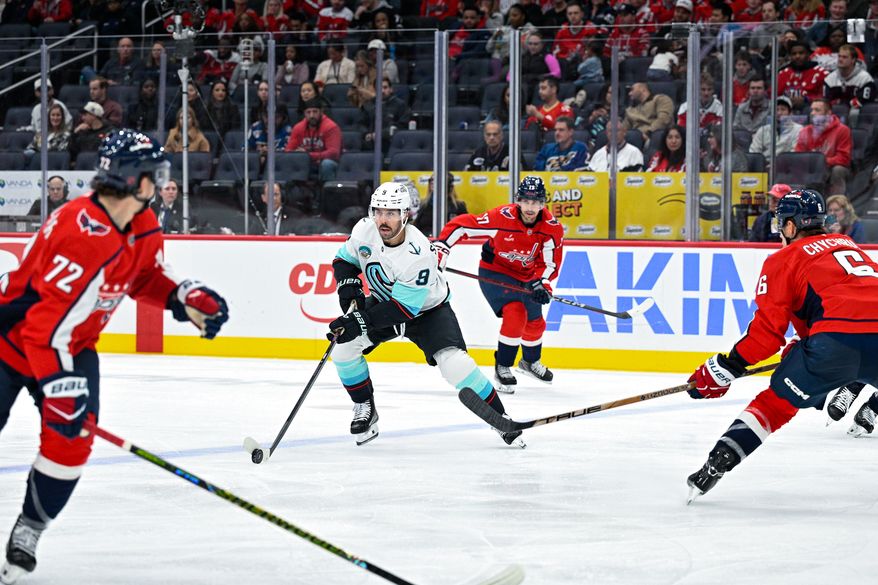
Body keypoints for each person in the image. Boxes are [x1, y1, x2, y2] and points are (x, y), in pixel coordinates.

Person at [0, 129, 229, 584]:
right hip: (12, 343)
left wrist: (185, 298)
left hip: (75, 346)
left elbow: (144, 277)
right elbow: (43, 328)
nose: (159, 179)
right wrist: (60, 388)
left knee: (69, 446)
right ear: (134, 180)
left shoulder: (142, 223)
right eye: (153, 172)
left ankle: (30, 527)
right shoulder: (77, 231)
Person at [685, 189, 878, 502]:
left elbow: (767, 334)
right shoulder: (849, 245)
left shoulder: (784, 259)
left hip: (834, 345)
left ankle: (719, 461)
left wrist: (728, 366)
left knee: (777, 402)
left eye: (781, 225)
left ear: (791, 226)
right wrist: (805, 344)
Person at [327, 182, 524, 448]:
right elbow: (344, 261)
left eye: (391, 213)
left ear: (405, 215)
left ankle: (500, 418)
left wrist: (360, 320)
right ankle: (365, 406)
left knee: (455, 365)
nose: (383, 220)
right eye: (379, 211)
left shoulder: (417, 252)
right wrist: (348, 286)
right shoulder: (364, 230)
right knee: (343, 350)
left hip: (427, 311)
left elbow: (404, 309)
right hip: (386, 303)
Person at [435, 176, 564, 393]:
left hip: (528, 276)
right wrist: (442, 246)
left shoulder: (552, 228)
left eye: (535, 202)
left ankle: (529, 362)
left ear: (543, 203)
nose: (530, 207)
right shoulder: (501, 217)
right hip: (496, 272)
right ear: (518, 201)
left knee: (535, 322)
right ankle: (503, 366)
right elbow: (463, 225)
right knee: (516, 314)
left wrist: (543, 284)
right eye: (526, 201)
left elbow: (550, 262)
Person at [795, 98, 852, 195]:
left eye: (817, 110)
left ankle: (836, 203)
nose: (812, 113)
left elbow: (844, 158)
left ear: (828, 113)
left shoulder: (842, 130)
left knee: (838, 170)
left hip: (831, 167)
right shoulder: (805, 131)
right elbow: (798, 154)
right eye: (812, 110)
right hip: (811, 168)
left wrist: (821, 162)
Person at [284, 99, 341, 181]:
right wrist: (299, 155)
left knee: (327, 164)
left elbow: (333, 153)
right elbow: (288, 151)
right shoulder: (298, 128)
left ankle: (327, 192)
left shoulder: (331, 127)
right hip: (306, 164)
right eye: (308, 112)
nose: (311, 115)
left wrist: (307, 156)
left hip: (328, 163)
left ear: (321, 112)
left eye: (315, 112)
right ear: (304, 114)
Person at [749, 96, 803, 162]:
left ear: (790, 113)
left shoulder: (798, 130)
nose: (779, 113)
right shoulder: (762, 130)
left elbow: (795, 154)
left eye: (783, 109)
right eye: (776, 109)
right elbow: (754, 153)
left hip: (786, 167)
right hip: (764, 167)